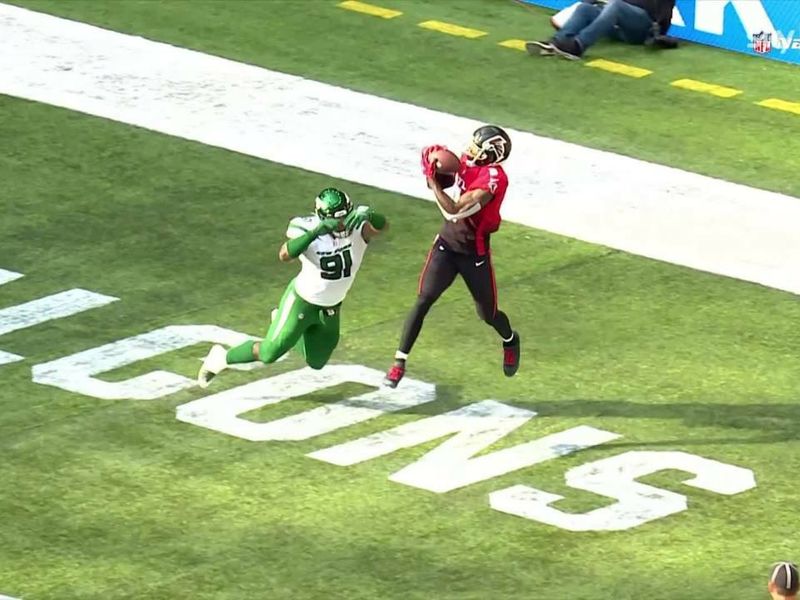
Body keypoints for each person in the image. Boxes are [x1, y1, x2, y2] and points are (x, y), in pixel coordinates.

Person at [197, 187, 387, 387]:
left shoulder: (358, 227)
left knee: (317, 361)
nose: (341, 225)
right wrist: (315, 232)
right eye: (336, 220)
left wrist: (370, 214)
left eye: (345, 217)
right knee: (269, 353)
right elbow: (285, 255)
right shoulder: (310, 229)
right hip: (302, 301)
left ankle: (283, 323)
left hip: (332, 305)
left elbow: (382, 225)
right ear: (322, 217)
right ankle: (220, 358)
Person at [383, 125, 521, 389]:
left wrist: (432, 181)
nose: (470, 151)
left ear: (491, 154)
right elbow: (444, 179)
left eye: (477, 148)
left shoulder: (494, 179)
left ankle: (510, 340)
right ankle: (398, 362)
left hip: (474, 252)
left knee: (488, 314)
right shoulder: (467, 161)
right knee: (424, 299)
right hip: (447, 246)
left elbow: (454, 211)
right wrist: (433, 165)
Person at [526, 0, 677, 60]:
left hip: (643, 28)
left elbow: (664, 12)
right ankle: (558, 42)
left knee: (616, 6)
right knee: (585, 9)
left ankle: (578, 46)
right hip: (620, 25)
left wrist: (659, 34)